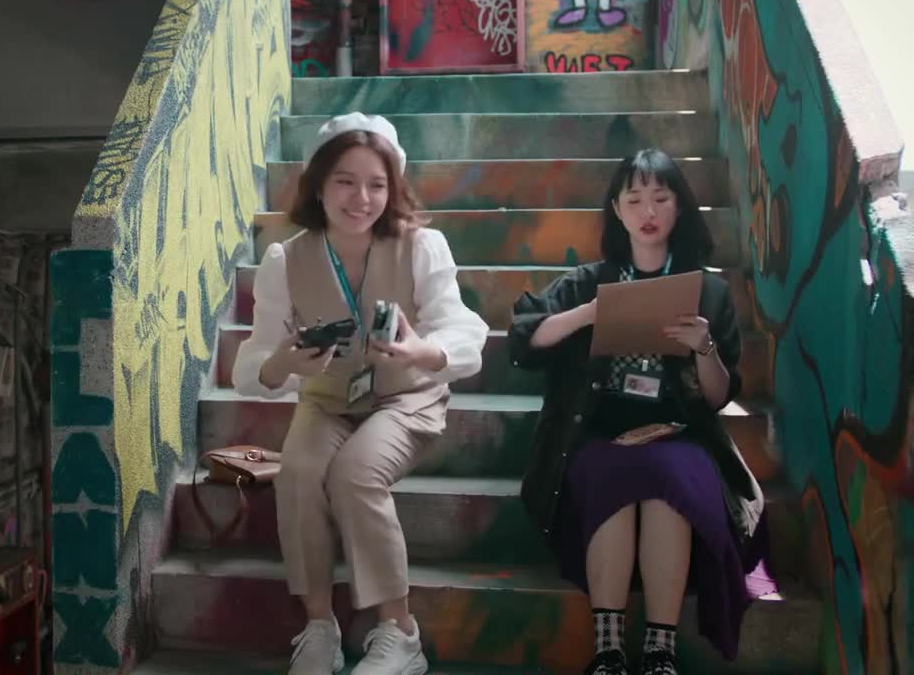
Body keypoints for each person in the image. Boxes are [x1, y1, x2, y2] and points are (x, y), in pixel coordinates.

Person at [232, 112, 489, 675]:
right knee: (298, 473)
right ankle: (319, 626)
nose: (362, 198)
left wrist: (423, 350)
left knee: (355, 472)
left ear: (393, 188)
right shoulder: (285, 260)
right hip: (326, 400)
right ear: (318, 185)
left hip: (407, 398)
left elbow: (466, 331)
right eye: (345, 181)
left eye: (377, 184)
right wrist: (282, 363)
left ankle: (400, 633)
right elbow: (254, 361)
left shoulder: (422, 245)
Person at [507, 149, 771, 675]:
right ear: (617, 209)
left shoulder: (709, 291)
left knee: (667, 483)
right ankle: (608, 651)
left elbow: (717, 398)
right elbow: (523, 341)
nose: (648, 211)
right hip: (595, 435)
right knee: (612, 476)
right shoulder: (587, 282)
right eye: (634, 199)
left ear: (680, 206)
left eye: (661, 198)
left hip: (679, 435)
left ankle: (659, 651)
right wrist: (590, 313)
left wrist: (704, 348)